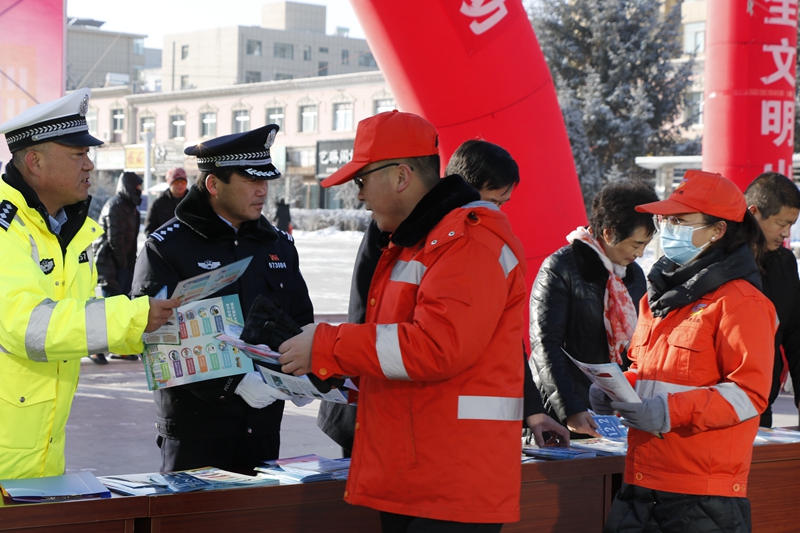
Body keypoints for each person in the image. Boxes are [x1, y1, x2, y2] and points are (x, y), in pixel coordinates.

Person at [279, 111, 527, 532]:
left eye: (361, 181)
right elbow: (394, 345)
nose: (359, 196)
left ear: (400, 176)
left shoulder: (467, 241)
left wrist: (327, 346)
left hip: (452, 485)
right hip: (422, 475)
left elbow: (435, 347)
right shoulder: (421, 241)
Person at [316, 138, 568, 460]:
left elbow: (499, 338)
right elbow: (370, 317)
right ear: (462, 189)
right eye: (490, 200)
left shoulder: (471, 240)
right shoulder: (400, 230)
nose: (493, 213)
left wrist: (533, 410)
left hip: (422, 427)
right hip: (375, 410)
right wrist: (328, 349)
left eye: (501, 204)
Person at [0, 88, 179, 479]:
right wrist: (133, 319)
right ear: (35, 162)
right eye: (78, 155)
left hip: (37, 454)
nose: (90, 165)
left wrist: (147, 329)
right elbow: (29, 327)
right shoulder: (6, 229)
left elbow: (73, 322)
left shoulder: (65, 227)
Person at [590, 170, 776, 533]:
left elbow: (750, 395)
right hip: (641, 483)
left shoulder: (741, 302)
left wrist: (667, 411)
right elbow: (652, 375)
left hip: (703, 498)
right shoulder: (659, 296)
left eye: (679, 220)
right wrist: (615, 388)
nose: (668, 229)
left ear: (717, 230)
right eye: (666, 219)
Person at [130, 124, 314, 474]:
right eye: (251, 181)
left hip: (262, 423)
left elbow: (300, 317)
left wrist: (306, 371)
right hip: (197, 429)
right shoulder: (168, 248)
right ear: (214, 185)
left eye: (265, 181)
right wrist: (233, 384)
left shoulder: (277, 245)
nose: (263, 191)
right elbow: (154, 337)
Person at [530, 179, 658, 437]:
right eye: (636, 244)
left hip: (611, 409)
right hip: (562, 410)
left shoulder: (633, 276)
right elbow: (545, 344)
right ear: (609, 233)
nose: (641, 254)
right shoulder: (561, 268)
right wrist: (571, 409)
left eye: (646, 244)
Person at [744, 172, 800, 427]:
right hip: (713, 404)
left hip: (762, 403)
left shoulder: (785, 263)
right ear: (753, 212)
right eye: (781, 224)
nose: (786, 234)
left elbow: (795, 332)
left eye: (792, 225)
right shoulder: (718, 259)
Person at [90, 171, 144, 364]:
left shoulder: (132, 208)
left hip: (123, 265)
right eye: (137, 187)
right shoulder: (116, 205)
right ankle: (95, 348)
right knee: (107, 309)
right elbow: (116, 239)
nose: (139, 191)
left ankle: (118, 348)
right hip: (110, 264)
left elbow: (130, 241)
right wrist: (124, 266)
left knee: (120, 309)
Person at [143, 167, 187, 237]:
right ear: (170, 183)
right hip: (165, 244)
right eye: (176, 182)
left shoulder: (193, 202)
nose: (180, 185)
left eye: (183, 181)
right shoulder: (158, 204)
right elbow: (150, 228)